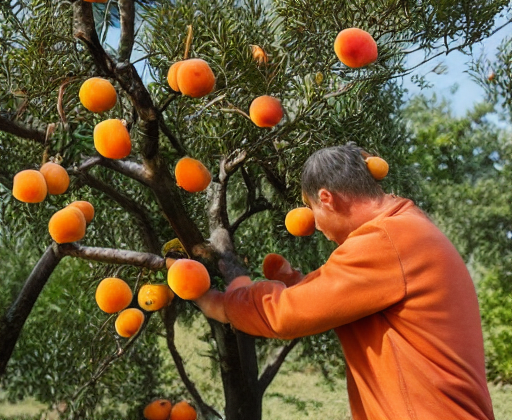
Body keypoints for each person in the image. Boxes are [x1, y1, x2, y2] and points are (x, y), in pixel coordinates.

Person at [196, 143, 495, 420]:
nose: (316, 225)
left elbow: (284, 314)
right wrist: (298, 284)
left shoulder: (387, 239)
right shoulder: (405, 229)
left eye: (312, 209)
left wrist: (224, 301)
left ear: (326, 198)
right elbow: (351, 304)